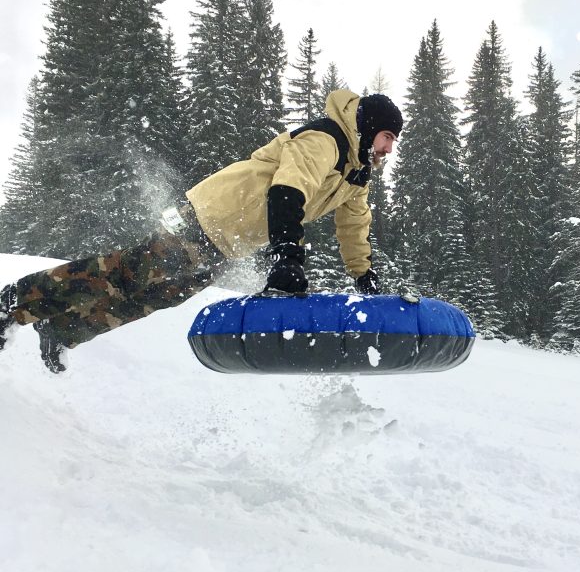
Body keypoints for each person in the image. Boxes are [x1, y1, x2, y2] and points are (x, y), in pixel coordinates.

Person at [0, 89, 403, 373]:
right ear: (369, 127)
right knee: (122, 275)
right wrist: (287, 257)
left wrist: (363, 275)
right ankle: (16, 299)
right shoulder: (324, 140)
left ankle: (61, 328)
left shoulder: (356, 175)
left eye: (393, 142)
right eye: (387, 137)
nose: (388, 148)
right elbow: (286, 193)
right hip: (208, 219)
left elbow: (354, 225)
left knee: (158, 295)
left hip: (228, 243)